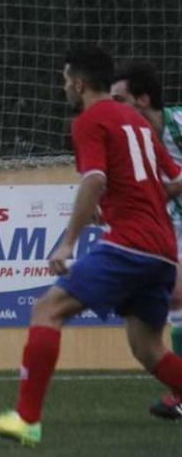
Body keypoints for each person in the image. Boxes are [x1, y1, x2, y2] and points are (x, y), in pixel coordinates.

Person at [0, 46, 182, 446]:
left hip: (129, 245)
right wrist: (134, 198)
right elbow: (174, 177)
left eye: (66, 79)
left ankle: (26, 420)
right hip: (163, 250)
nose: (64, 86)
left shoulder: (89, 121)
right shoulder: (137, 123)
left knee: (47, 309)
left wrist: (68, 243)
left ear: (80, 83)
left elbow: (95, 180)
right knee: (148, 348)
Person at [111, 61, 182, 419]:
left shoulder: (177, 122)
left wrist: (164, 192)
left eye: (118, 99)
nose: (110, 107)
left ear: (142, 99)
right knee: (177, 304)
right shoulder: (130, 139)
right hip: (172, 229)